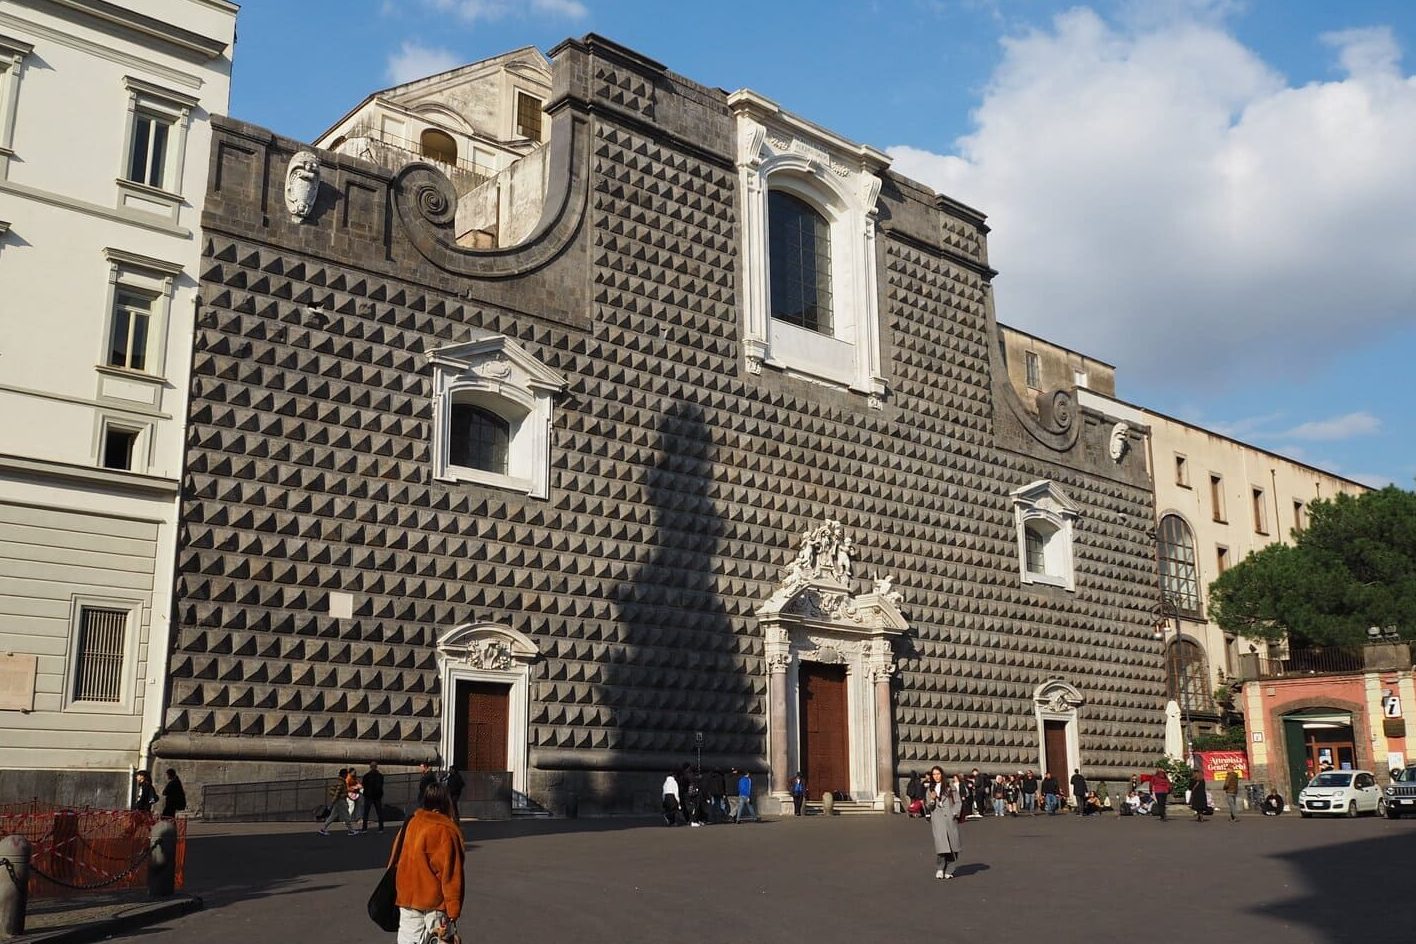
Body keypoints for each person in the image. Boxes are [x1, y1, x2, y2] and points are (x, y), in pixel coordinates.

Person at [390, 782, 464, 944]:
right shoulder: (444, 830)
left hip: (406, 897)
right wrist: (453, 909)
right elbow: (450, 874)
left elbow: (395, 858)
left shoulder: (411, 823)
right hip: (433, 902)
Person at [925, 767, 963, 880]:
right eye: (934, 774)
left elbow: (958, 801)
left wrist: (955, 812)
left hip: (950, 818)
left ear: (942, 774)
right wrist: (932, 800)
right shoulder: (930, 789)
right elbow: (929, 806)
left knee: (952, 845)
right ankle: (940, 868)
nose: (936, 776)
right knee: (941, 846)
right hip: (938, 819)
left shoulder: (950, 787)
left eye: (938, 774)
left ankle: (950, 869)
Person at [319, 768, 359, 836]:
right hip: (341, 800)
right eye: (346, 774)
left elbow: (333, 791)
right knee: (346, 815)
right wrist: (335, 800)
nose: (347, 775)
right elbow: (338, 793)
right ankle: (351, 830)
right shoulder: (341, 782)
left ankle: (323, 829)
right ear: (344, 774)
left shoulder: (338, 781)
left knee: (332, 816)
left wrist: (334, 800)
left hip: (338, 801)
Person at [362, 761, 386, 833]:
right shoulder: (380, 776)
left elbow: (364, 784)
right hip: (377, 796)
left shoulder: (366, 776)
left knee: (366, 813)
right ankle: (381, 828)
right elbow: (381, 785)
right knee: (379, 812)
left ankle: (364, 828)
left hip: (369, 796)